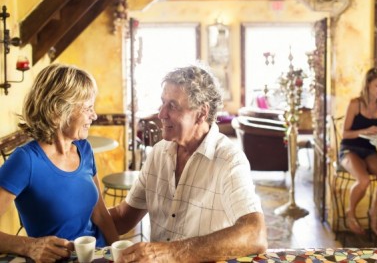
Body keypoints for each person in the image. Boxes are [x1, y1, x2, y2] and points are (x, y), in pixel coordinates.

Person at [110, 64, 267, 263]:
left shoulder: (229, 160)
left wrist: (169, 253)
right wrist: (65, 224)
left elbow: (255, 234)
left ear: (202, 113)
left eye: (172, 106)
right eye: (162, 103)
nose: (161, 114)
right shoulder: (158, 152)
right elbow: (124, 217)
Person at [0, 63, 119, 262]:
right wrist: (29, 246)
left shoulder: (84, 149)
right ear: (58, 111)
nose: (94, 115)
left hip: (96, 256)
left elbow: (100, 214)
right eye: (88, 108)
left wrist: (118, 254)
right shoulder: (25, 160)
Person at [339, 67, 377, 236]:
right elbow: (344, 133)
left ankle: (374, 213)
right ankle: (351, 213)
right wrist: (365, 130)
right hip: (349, 148)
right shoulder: (356, 103)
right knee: (363, 180)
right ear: (368, 85)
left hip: (369, 149)